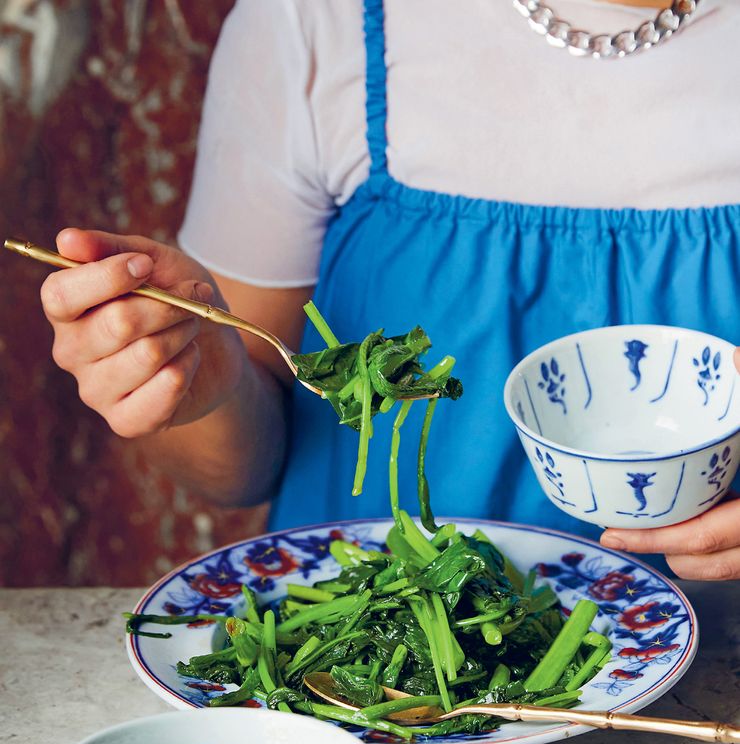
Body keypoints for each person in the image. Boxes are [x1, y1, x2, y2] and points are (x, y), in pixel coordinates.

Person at [42, 0, 740, 579]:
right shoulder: (316, 20)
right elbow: (239, 469)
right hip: (375, 662)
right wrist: (204, 383)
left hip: (715, 667)